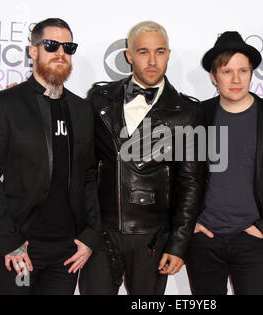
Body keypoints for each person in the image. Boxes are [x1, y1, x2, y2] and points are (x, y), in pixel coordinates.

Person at [79, 21, 205, 295]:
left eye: (159, 52)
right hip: (102, 233)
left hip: (153, 237)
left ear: (168, 55)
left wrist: (178, 244)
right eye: (143, 52)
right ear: (129, 56)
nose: (152, 61)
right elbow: (83, 164)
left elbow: (191, 183)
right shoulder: (99, 99)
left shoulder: (186, 112)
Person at [0, 18, 101, 295]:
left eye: (68, 47)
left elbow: (89, 176)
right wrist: (9, 241)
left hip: (66, 253)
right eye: (51, 45)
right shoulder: (5, 104)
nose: (61, 53)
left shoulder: (82, 110)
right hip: (21, 249)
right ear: (33, 51)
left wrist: (90, 236)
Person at [185, 31, 263, 295]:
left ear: (252, 73)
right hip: (204, 241)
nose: (236, 79)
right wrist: (189, 223)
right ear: (214, 77)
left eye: (243, 70)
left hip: (253, 240)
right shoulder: (197, 116)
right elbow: (178, 174)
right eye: (227, 72)